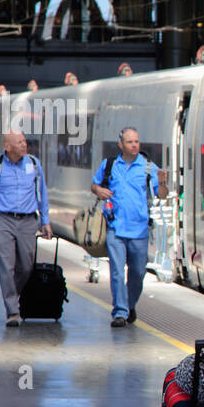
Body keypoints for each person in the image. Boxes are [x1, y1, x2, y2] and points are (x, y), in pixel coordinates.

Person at [0, 130, 52, 327]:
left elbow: (42, 192)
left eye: (24, 141)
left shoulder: (33, 163)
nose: (24, 145)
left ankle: (13, 295)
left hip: (27, 220)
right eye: (19, 142)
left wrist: (45, 220)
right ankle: (13, 310)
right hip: (2, 220)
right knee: (6, 266)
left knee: (26, 265)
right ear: (8, 147)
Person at [90, 127, 167, 327]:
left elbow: (162, 194)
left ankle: (130, 304)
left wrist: (163, 183)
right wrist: (99, 190)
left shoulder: (149, 167)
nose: (135, 145)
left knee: (138, 272)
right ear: (121, 144)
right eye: (130, 142)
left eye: (137, 141)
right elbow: (94, 185)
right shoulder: (109, 165)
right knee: (116, 271)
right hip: (115, 227)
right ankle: (120, 312)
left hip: (139, 229)